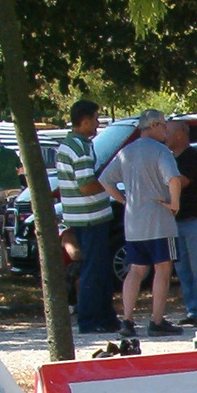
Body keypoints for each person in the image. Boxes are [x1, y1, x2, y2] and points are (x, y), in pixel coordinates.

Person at [102, 109, 183, 338]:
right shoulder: (161, 151)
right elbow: (174, 178)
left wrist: (124, 200)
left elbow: (105, 181)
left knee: (135, 270)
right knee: (163, 269)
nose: (166, 130)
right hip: (159, 219)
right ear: (155, 125)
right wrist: (174, 203)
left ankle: (127, 320)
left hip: (134, 221)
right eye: (164, 125)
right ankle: (156, 320)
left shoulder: (126, 152)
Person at [56, 99, 119, 333]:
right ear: (83, 121)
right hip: (90, 217)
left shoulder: (68, 144)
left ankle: (105, 317)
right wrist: (110, 185)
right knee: (95, 269)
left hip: (79, 216)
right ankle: (91, 320)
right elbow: (86, 185)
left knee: (97, 268)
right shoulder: (81, 147)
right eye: (95, 118)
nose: (97, 123)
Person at [166, 120, 197, 328]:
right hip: (174, 221)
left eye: (167, 131)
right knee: (182, 269)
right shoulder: (167, 159)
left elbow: (182, 182)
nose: (164, 136)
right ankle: (192, 309)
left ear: (180, 134)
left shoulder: (194, 157)